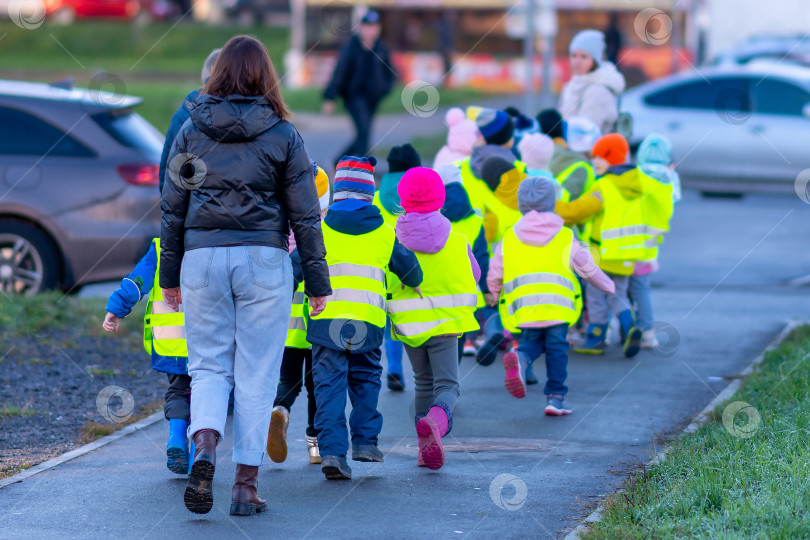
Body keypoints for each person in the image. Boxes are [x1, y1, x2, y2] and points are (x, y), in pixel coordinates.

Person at [160, 35, 331, 517]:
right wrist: (317, 282)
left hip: (202, 258)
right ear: (266, 76)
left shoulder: (190, 131)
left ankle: (206, 448)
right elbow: (305, 217)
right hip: (264, 260)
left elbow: (173, 211)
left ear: (217, 75)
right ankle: (245, 487)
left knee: (208, 367)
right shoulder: (283, 135)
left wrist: (169, 275)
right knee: (256, 374)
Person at [307, 155, 423, 481]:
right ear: (370, 194)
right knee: (367, 379)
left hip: (326, 320)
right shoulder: (385, 233)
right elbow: (413, 274)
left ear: (338, 193)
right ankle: (365, 443)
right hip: (368, 323)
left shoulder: (318, 229)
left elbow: (294, 267)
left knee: (328, 386)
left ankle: (331, 452)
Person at [487, 176, 615, 414]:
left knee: (533, 343)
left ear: (520, 204)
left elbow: (497, 269)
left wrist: (493, 293)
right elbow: (586, 266)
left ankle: (521, 358)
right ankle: (555, 398)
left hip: (524, 307)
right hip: (558, 306)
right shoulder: (565, 236)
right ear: (554, 203)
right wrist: (608, 286)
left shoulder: (510, 236)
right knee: (556, 348)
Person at [388, 167, 480, 469]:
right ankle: (435, 424)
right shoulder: (457, 239)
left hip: (409, 324)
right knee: (448, 387)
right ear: (441, 200)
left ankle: (422, 450)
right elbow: (475, 274)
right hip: (447, 323)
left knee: (422, 382)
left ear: (403, 200)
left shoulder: (392, 239)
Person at [102, 237, 191, 475]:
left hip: (171, 340)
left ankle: (177, 437)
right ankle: (201, 447)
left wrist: (116, 309)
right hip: (208, 340)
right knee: (208, 390)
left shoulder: (162, 248)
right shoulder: (211, 240)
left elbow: (137, 281)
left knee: (179, 390)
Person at [266, 164, 331, 467]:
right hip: (317, 322)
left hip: (285, 323)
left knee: (288, 380)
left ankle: (280, 410)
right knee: (317, 384)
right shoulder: (323, 231)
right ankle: (315, 445)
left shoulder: (278, 227)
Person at [574, 133, 644, 358]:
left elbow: (581, 209)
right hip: (626, 254)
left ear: (611, 158)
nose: (594, 162)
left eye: (599, 157)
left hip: (600, 254)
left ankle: (595, 339)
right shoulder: (637, 183)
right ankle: (630, 324)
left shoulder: (602, 185)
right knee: (618, 295)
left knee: (595, 296)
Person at [373, 144, 422, 390]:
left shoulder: (376, 196)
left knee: (389, 320)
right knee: (413, 319)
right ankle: (425, 375)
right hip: (412, 267)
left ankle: (394, 368)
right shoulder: (419, 194)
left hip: (385, 267)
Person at [322, 10, 397, 162]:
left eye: (375, 26)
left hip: (373, 99)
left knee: (364, 136)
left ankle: (337, 162)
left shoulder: (381, 48)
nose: (371, 30)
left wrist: (385, 89)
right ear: (361, 28)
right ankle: (365, 172)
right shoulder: (351, 48)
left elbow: (391, 73)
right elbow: (340, 73)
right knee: (363, 134)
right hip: (354, 98)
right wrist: (330, 97)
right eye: (368, 26)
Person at [630, 133, 679, 348]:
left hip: (624, 240)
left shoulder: (634, 175)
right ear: (670, 160)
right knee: (641, 287)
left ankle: (614, 328)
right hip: (650, 244)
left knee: (618, 288)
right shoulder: (670, 178)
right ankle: (648, 332)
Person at [436, 164, 489, 358]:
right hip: (469, 285)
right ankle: (471, 339)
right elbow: (482, 256)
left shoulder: (435, 218)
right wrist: (486, 287)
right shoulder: (475, 220)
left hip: (442, 285)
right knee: (468, 317)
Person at [158, 48, 220, 194]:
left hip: (195, 210)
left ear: (203, 77)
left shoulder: (184, 115)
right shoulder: (248, 115)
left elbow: (169, 176)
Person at [558, 30, 626, 136]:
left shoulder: (598, 90)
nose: (577, 61)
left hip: (591, 150)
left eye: (584, 57)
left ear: (595, 61)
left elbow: (586, 133)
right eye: (574, 55)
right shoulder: (572, 85)